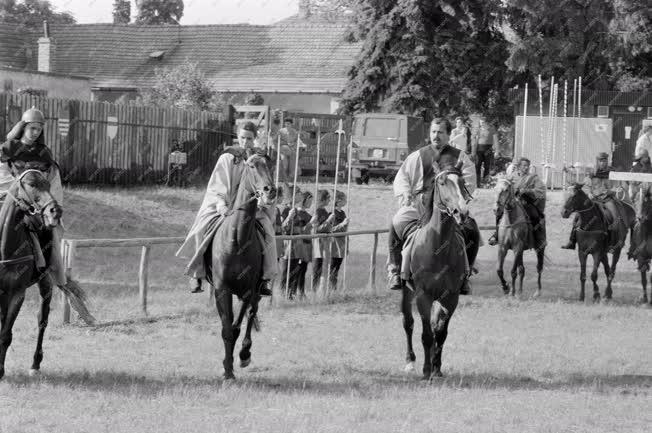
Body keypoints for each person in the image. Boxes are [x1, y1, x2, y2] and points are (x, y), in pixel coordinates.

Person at [176, 121, 277, 296]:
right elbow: (217, 184)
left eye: (250, 138)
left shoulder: (259, 159)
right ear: (238, 137)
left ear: (255, 139)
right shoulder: (228, 158)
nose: (246, 142)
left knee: (268, 231)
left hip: (251, 208)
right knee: (201, 228)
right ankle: (197, 273)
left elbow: (264, 183)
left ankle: (264, 279)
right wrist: (221, 204)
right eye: (243, 138)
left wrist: (262, 200)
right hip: (224, 205)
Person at [388, 117, 477, 295]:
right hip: (418, 204)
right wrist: (405, 192)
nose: (436, 136)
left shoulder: (460, 157)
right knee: (396, 222)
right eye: (433, 132)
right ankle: (395, 270)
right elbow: (403, 177)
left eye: (440, 132)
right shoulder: (417, 156)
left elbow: (468, 182)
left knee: (472, 229)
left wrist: (458, 200)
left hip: (449, 206)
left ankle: (465, 275)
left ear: (449, 134)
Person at [0, 107, 66, 288]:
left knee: (49, 234)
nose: (36, 133)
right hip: (9, 197)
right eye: (32, 128)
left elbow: (52, 180)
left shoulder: (44, 153)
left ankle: (53, 275)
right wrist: (14, 192)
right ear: (23, 127)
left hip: (35, 204)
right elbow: (2, 172)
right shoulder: (8, 148)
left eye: (39, 129)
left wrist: (51, 205)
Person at [562, 152, 629, 251]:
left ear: (607, 161)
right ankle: (572, 241)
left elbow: (621, 186)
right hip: (594, 200)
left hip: (608, 199)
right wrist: (589, 193)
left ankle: (613, 243)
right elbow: (584, 184)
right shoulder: (592, 173)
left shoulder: (613, 172)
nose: (603, 163)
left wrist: (612, 191)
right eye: (601, 161)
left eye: (604, 160)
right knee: (578, 216)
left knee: (615, 217)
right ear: (597, 161)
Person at [487, 157, 546, 249]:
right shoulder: (511, 176)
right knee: (499, 213)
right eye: (524, 165)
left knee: (535, 216)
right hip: (512, 202)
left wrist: (527, 191)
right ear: (519, 166)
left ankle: (538, 239)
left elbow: (541, 190)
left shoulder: (533, 178)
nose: (526, 168)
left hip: (527, 203)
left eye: (527, 166)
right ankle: (497, 235)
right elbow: (503, 186)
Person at [281, 190, 313, 299]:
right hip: (289, 245)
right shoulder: (286, 210)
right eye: (298, 193)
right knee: (287, 270)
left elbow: (300, 230)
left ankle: (291, 293)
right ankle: (283, 293)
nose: (300, 195)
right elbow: (284, 228)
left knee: (294, 271)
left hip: (298, 245)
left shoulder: (296, 211)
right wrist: (289, 217)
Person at [311, 189, 333, 291]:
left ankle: (321, 288)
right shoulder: (317, 211)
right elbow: (316, 229)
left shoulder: (324, 211)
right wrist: (328, 221)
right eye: (328, 198)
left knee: (323, 266)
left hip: (325, 242)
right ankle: (314, 289)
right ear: (323, 199)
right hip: (318, 242)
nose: (330, 200)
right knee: (317, 266)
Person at [327, 190, 349, 291]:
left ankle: (334, 289)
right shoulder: (332, 213)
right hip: (334, 244)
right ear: (339, 201)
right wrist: (342, 224)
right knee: (332, 268)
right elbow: (331, 229)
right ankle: (331, 288)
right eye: (344, 199)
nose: (346, 201)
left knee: (337, 268)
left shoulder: (343, 212)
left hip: (342, 244)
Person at [474, 118, 498, 187]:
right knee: (477, 166)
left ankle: (485, 182)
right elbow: (475, 141)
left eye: (483, 122)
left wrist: (497, 151)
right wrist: (474, 152)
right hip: (479, 150)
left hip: (488, 149)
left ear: (486, 122)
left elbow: (495, 141)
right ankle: (477, 183)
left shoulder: (492, 129)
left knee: (487, 166)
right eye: (480, 122)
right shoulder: (478, 130)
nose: (482, 124)